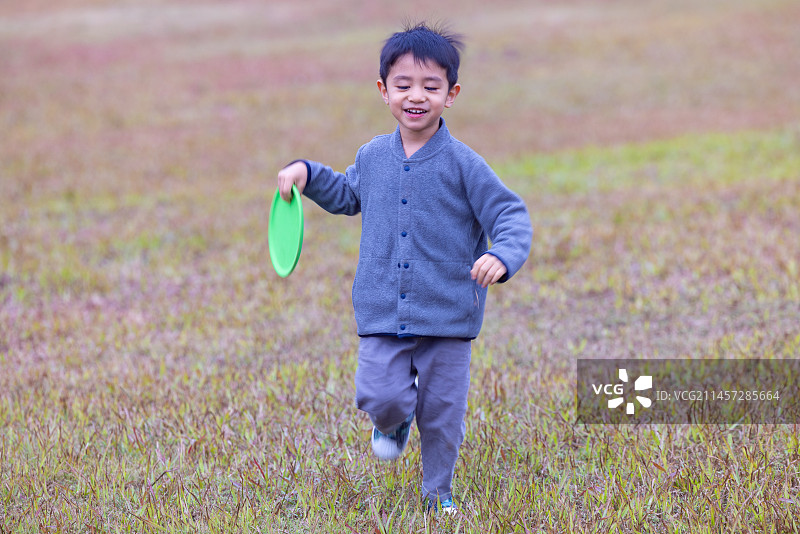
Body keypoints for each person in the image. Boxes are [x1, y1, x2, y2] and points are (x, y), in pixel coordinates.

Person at [276, 22, 532, 514]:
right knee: (378, 393)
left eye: (431, 87)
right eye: (404, 85)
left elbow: (509, 213)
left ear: (451, 94)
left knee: (441, 415)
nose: (416, 96)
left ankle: (438, 495)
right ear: (383, 90)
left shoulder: (463, 164)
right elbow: (348, 194)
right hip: (381, 310)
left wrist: (502, 255)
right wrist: (306, 173)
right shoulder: (372, 157)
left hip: (449, 315)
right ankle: (391, 421)